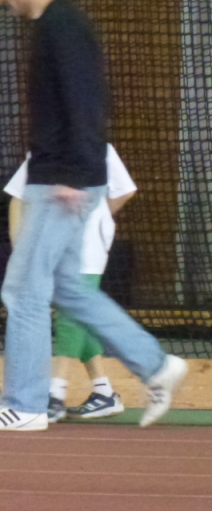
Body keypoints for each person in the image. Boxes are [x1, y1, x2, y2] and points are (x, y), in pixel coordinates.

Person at [0, 0, 186, 431]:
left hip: (62, 181)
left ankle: (25, 404)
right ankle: (155, 365)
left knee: (23, 289)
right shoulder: (52, 27)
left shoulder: (63, 26)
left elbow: (87, 102)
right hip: (61, 176)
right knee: (68, 289)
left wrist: (74, 172)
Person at [6, 144, 137, 422]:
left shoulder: (100, 150)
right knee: (77, 312)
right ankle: (104, 392)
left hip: (88, 246)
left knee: (70, 315)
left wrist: (95, 217)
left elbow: (125, 190)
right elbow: (17, 198)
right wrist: (21, 249)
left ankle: (55, 394)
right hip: (49, 246)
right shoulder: (41, 152)